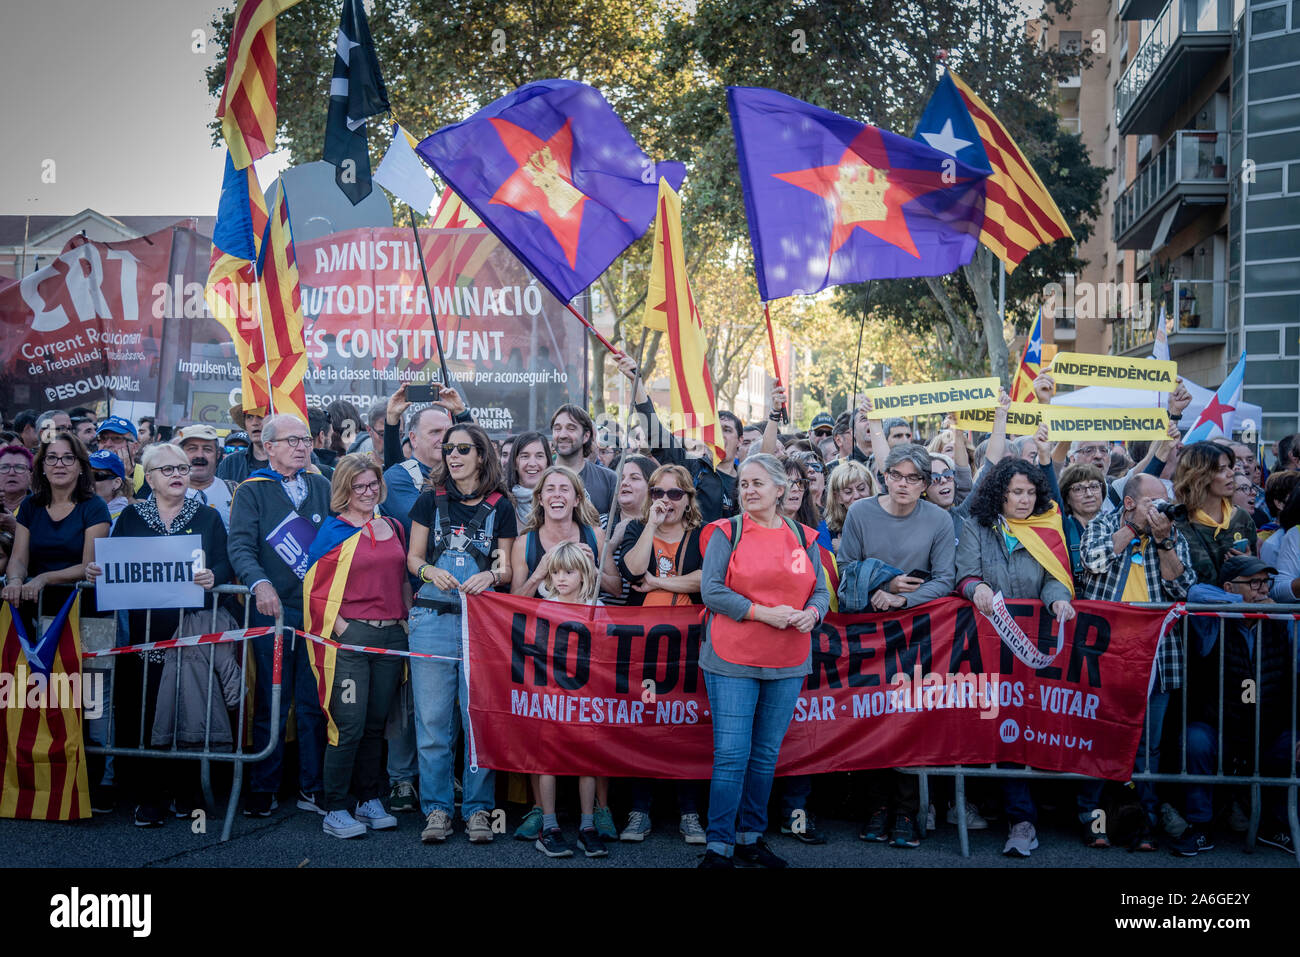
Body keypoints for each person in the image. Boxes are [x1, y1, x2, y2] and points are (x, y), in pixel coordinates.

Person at [84, 442, 230, 826]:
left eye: (182, 468)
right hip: (141, 631)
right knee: (141, 708)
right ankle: (147, 795)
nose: (179, 474)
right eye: (167, 470)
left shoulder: (208, 517)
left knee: (186, 707)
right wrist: (97, 572)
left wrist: (215, 575)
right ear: (148, 478)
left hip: (189, 631)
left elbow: (225, 565)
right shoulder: (132, 517)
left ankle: (187, 792)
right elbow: (110, 565)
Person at [696, 453, 829, 868]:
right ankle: (718, 846)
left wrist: (815, 614)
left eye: (757, 483)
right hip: (732, 656)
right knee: (732, 755)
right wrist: (759, 612)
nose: (748, 491)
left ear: (780, 489)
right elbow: (712, 591)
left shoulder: (805, 537)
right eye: (744, 484)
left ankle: (750, 837)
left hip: (788, 660)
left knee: (765, 755)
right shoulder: (725, 531)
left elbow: (820, 593)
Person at [836, 443, 956, 848]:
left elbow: (945, 579)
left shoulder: (939, 519)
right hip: (868, 632)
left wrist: (903, 598)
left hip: (919, 633)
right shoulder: (860, 512)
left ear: (925, 484)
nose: (903, 484)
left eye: (914, 478)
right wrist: (883, 584)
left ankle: (906, 811)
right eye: (896, 476)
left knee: (909, 720)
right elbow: (845, 567)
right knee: (871, 718)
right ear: (885, 476)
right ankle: (876, 807)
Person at [956, 458, 1076, 858]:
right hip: (985, 650)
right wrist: (975, 589)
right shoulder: (976, 526)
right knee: (991, 726)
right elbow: (965, 573)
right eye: (1015, 492)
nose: (1024, 500)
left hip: (1031, 649)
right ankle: (999, 810)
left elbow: (1055, 577)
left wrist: (1058, 601)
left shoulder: (1047, 527)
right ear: (999, 494)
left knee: (1025, 728)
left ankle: (1023, 819)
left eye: (1030, 492)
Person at [405, 422, 516, 845]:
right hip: (431, 621)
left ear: (481, 455)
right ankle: (436, 810)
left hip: (481, 624)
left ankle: (477, 811)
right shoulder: (427, 501)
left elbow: (506, 567)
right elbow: (413, 558)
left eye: (462, 449)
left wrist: (490, 574)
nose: (452, 455)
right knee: (432, 722)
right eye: (448, 448)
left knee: (477, 719)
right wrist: (429, 570)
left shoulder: (501, 506)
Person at [1078, 472, 1197, 851]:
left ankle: (1144, 817)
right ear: (1130, 502)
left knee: (1149, 745)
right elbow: (1093, 561)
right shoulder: (1104, 523)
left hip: (1156, 657)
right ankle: (1090, 814)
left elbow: (1183, 586)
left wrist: (1163, 543)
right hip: (1106, 655)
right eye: (1153, 501)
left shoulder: (1170, 532)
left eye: (1164, 500)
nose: (1162, 508)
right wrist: (1132, 528)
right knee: (1098, 736)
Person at [226, 413, 332, 818]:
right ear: (268, 447)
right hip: (271, 610)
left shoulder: (323, 485)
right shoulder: (252, 490)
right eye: (291, 441)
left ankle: (312, 786)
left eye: (305, 439)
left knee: (312, 701)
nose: (301, 446)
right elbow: (240, 547)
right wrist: (259, 584)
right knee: (272, 700)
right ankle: (263, 786)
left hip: (314, 611)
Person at [302, 454, 410, 840]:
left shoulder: (393, 526)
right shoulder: (335, 531)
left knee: (375, 724)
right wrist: (345, 629)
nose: (368, 492)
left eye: (373, 484)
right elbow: (313, 590)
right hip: (350, 639)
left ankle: (368, 799)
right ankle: (334, 806)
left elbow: (400, 579)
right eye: (359, 486)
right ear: (344, 492)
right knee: (347, 724)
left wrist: (404, 618)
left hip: (390, 637)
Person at [615, 463, 707, 845]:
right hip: (644, 647)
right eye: (657, 493)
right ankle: (639, 811)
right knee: (646, 725)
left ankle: (689, 813)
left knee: (685, 727)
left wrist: (658, 582)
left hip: (688, 646)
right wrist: (650, 524)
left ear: (688, 499)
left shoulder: (702, 535)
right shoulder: (637, 529)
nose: (665, 501)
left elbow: (707, 578)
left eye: (674, 494)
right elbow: (631, 568)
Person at [1181, 555, 1298, 854]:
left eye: (1265, 582)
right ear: (1230, 588)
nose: (1263, 590)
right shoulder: (1215, 622)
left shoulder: (1281, 619)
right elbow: (1195, 593)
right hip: (1222, 726)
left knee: (1292, 744)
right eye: (1254, 583)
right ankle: (1200, 827)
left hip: (1268, 728)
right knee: (1195, 740)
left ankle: (1276, 826)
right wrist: (1242, 605)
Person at [529, 541, 610, 859]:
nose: (561, 578)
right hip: (551, 696)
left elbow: (608, 650)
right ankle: (548, 826)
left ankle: (587, 826)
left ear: (584, 574)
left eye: (569, 572)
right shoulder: (544, 606)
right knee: (548, 760)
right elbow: (533, 651)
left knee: (586, 761)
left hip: (586, 698)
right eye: (557, 572)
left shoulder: (596, 605)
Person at [617, 355, 739, 523]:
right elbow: (658, 437)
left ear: (740, 440)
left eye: (727, 430)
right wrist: (636, 383)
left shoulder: (746, 477)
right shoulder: (694, 469)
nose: (720, 435)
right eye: (715, 430)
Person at [1, 434, 110, 620]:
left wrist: (44, 578)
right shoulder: (30, 505)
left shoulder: (95, 507)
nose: (59, 464)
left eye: (68, 457)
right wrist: (15, 581)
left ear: (81, 466)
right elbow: (18, 559)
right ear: (42, 466)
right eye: (51, 457)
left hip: (80, 609)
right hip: (34, 606)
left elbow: (87, 565)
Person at [510, 465, 604, 600]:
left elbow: (616, 589)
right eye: (550, 489)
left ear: (577, 499)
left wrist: (593, 569)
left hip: (584, 619)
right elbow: (513, 602)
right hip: (541, 620)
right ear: (540, 499)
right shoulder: (524, 544)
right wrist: (538, 574)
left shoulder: (595, 536)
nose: (557, 494)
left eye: (564, 489)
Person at [1173, 441, 1259, 584]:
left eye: (1230, 467)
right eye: (1221, 469)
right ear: (1199, 476)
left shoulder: (1242, 518)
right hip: (1195, 605)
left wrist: (1248, 563)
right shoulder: (1177, 523)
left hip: (1236, 604)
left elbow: (1256, 578)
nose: (1231, 473)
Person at [598, 454, 657, 607]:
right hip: (604, 618)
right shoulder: (599, 523)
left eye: (634, 478)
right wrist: (612, 542)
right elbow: (582, 567)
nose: (624, 483)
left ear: (652, 487)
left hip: (646, 617)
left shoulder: (662, 526)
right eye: (621, 477)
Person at [550, 403, 617, 521]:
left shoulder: (609, 479)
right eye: (557, 428)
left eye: (571, 428)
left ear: (586, 436)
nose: (562, 435)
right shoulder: (541, 477)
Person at [176, 425, 236, 528]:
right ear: (181, 454)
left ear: (217, 455)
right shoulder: (165, 493)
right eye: (192, 449)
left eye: (207, 449)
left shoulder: (234, 491)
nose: (200, 455)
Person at [1058, 463, 1105, 579]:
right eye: (1078, 489)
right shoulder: (1062, 527)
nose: (1089, 494)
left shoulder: (1114, 524)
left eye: (1094, 487)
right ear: (1067, 498)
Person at [823, 459, 874, 553]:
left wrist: (845, 548)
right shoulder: (829, 531)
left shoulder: (884, 520)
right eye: (848, 492)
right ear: (838, 497)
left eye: (861, 489)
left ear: (870, 489)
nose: (857, 496)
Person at [505, 430, 554, 527]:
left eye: (539, 456)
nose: (532, 463)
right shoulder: (503, 504)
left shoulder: (560, 500)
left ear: (547, 463)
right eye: (525, 456)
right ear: (515, 463)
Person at [216, 406, 269, 483]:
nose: (254, 423)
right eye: (249, 417)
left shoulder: (288, 462)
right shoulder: (230, 463)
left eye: (261, 416)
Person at [95, 415, 144, 495]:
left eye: (117, 438)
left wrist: (124, 479)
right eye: (103, 438)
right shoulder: (87, 471)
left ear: (135, 447)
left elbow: (140, 506)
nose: (108, 444)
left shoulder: (147, 475)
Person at [88, 450, 131, 527]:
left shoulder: (127, 519)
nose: (88, 481)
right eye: (86, 474)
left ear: (116, 483)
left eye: (97, 475)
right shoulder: (76, 510)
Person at [0, 443, 34, 537]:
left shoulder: (42, 508)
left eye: (19, 467)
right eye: (4, 467)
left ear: (31, 476)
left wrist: (15, 528)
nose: (11, 473)